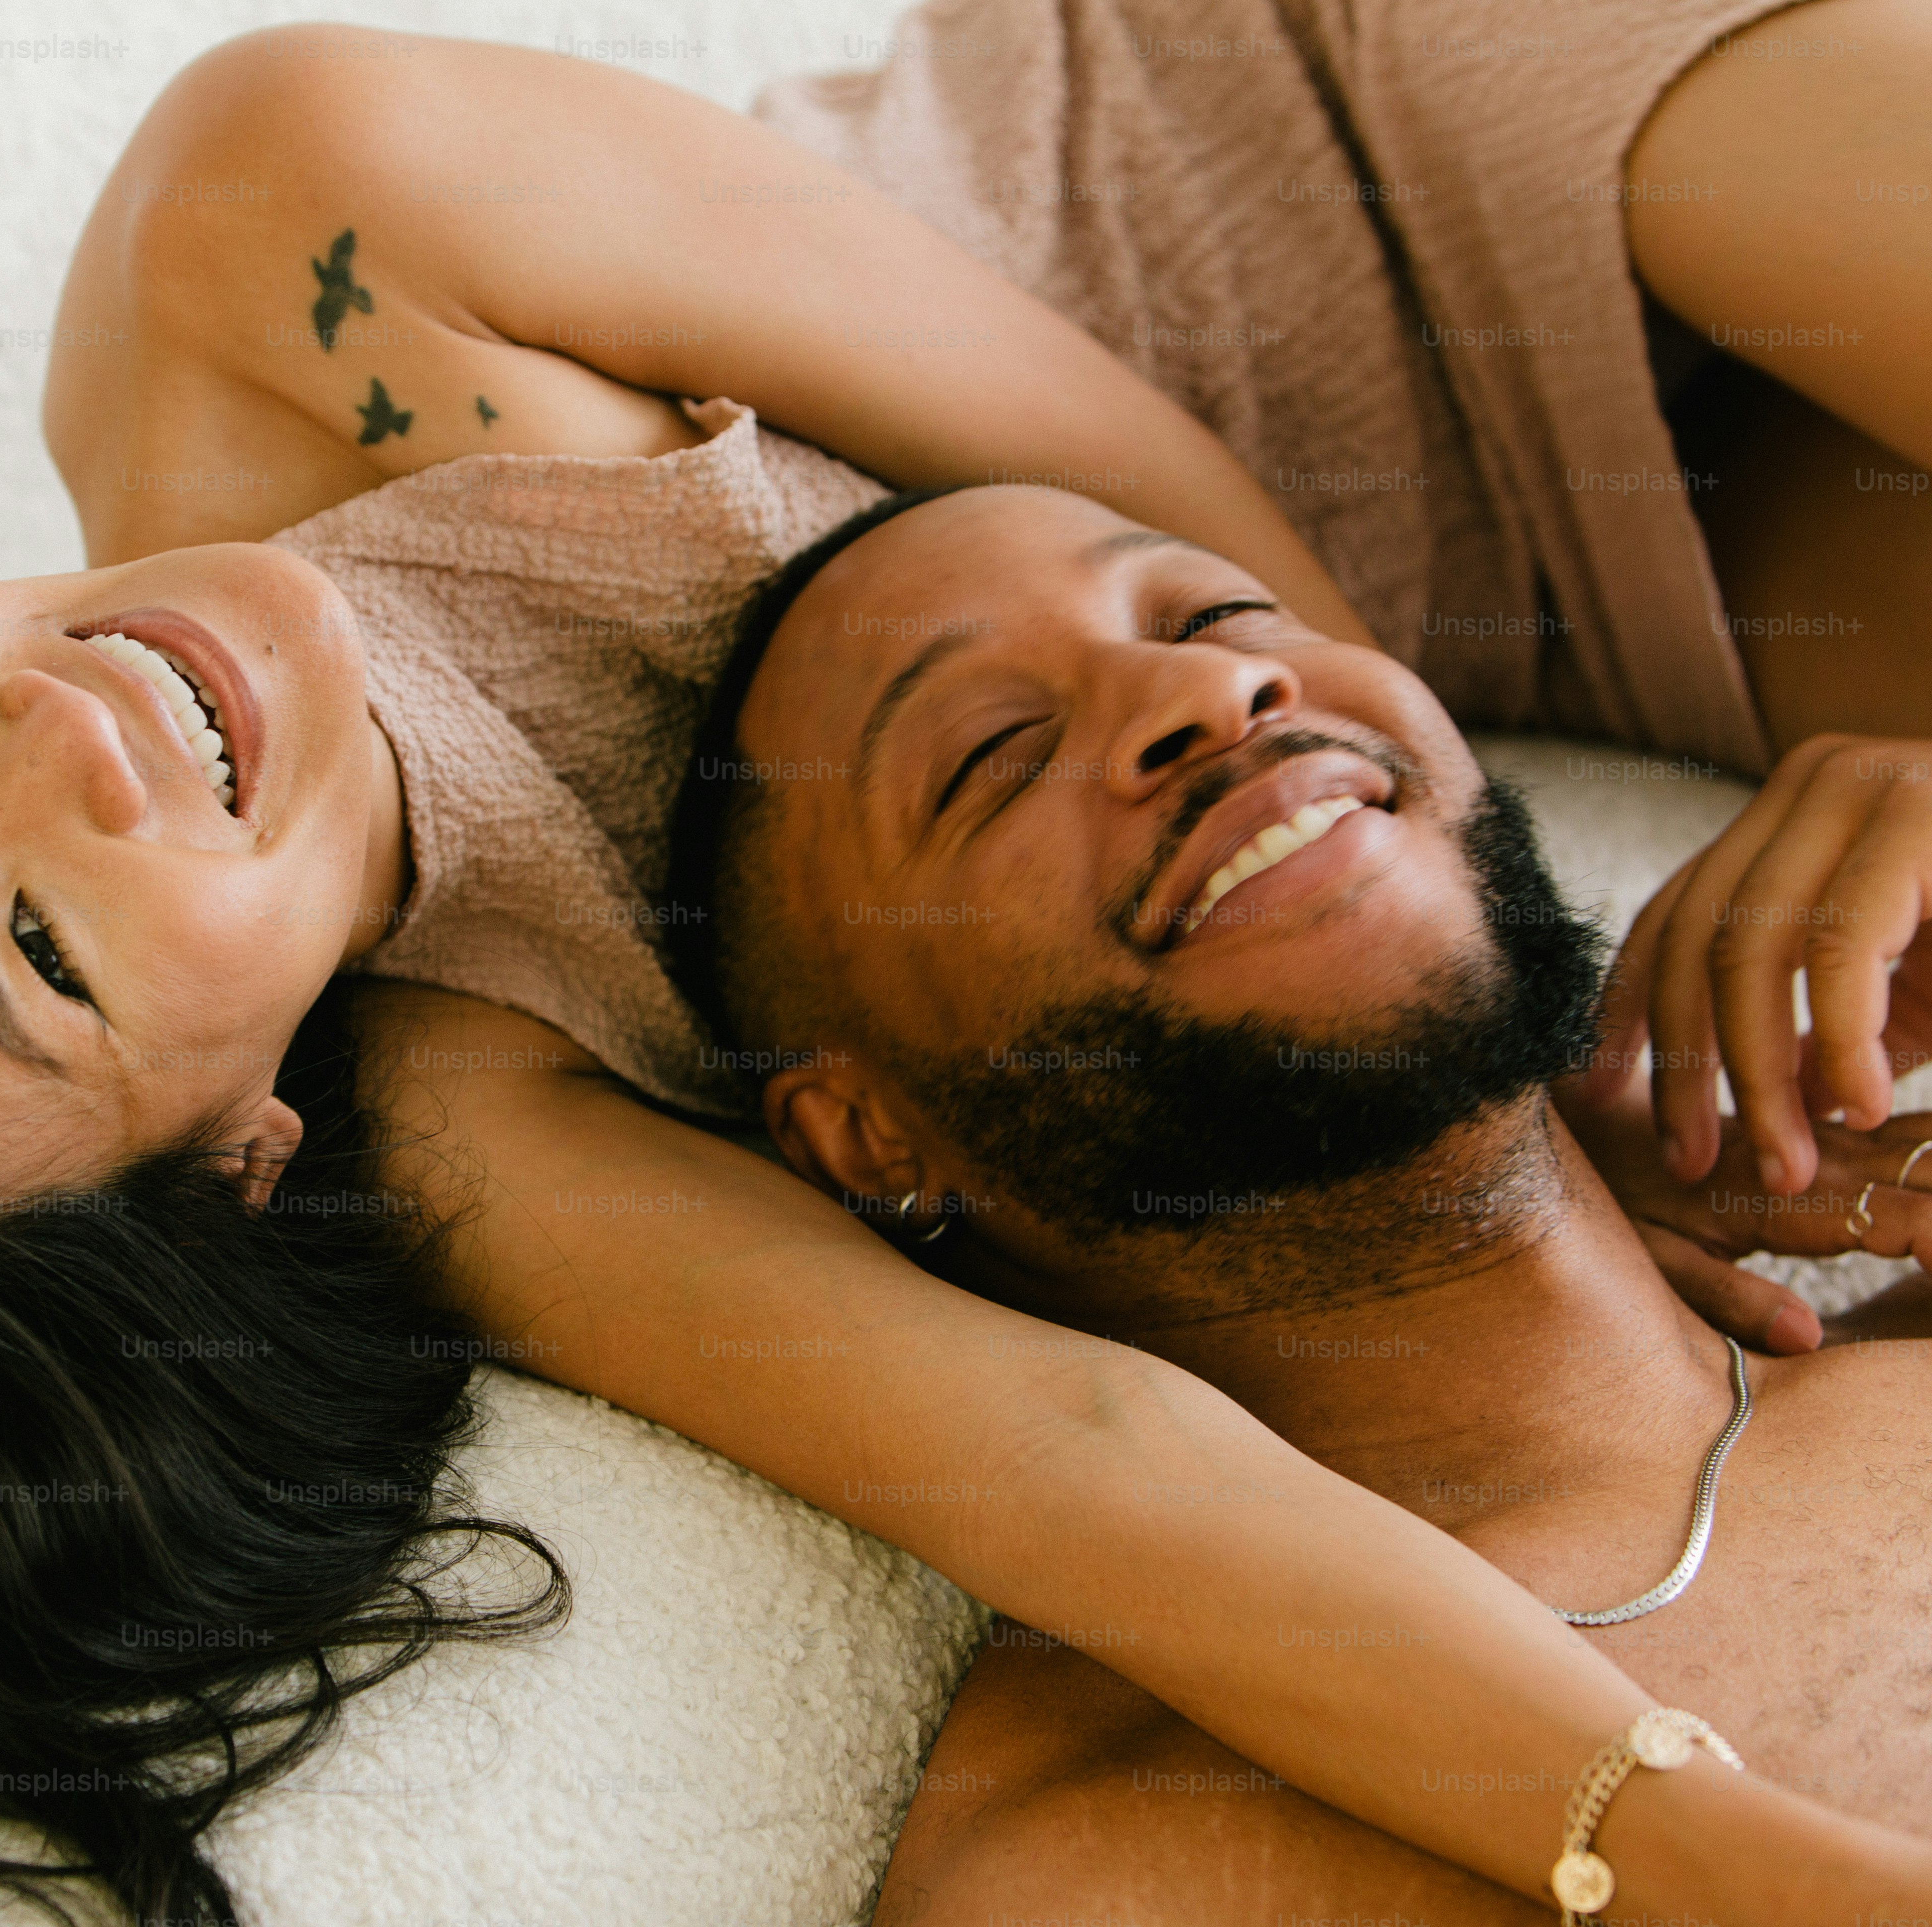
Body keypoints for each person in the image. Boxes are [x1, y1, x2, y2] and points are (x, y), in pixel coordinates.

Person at [0, 19, 1930, 1927]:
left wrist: (1522, 1066)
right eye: (44, 957)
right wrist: (1749, 1875)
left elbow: (1202, 600)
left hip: (1376, 139)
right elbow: (1077, 1467)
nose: (56, 737)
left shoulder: (292, 219)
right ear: (222, 1152)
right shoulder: (473, 1107)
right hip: (1583, 581)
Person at [656, 472, 1932, 1922]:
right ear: (869, 1138)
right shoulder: (1123, 1867)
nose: (1210, 686)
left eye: (1216, 611)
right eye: (995, 757)